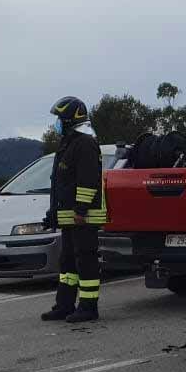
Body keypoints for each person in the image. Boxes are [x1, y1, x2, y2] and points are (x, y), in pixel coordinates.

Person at [42, 96, 108, 323]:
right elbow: (62, 183)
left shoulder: (85, 143)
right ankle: (64, 305)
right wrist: (54, 212)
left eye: (60, 118)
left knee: (85, 260)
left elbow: (87, 181)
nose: (57, 123)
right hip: (71, 215)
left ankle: (88, 307)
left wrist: (81, 210)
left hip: (84, 216)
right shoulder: (69, 142)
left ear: (71, 119)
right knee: (68, 261)